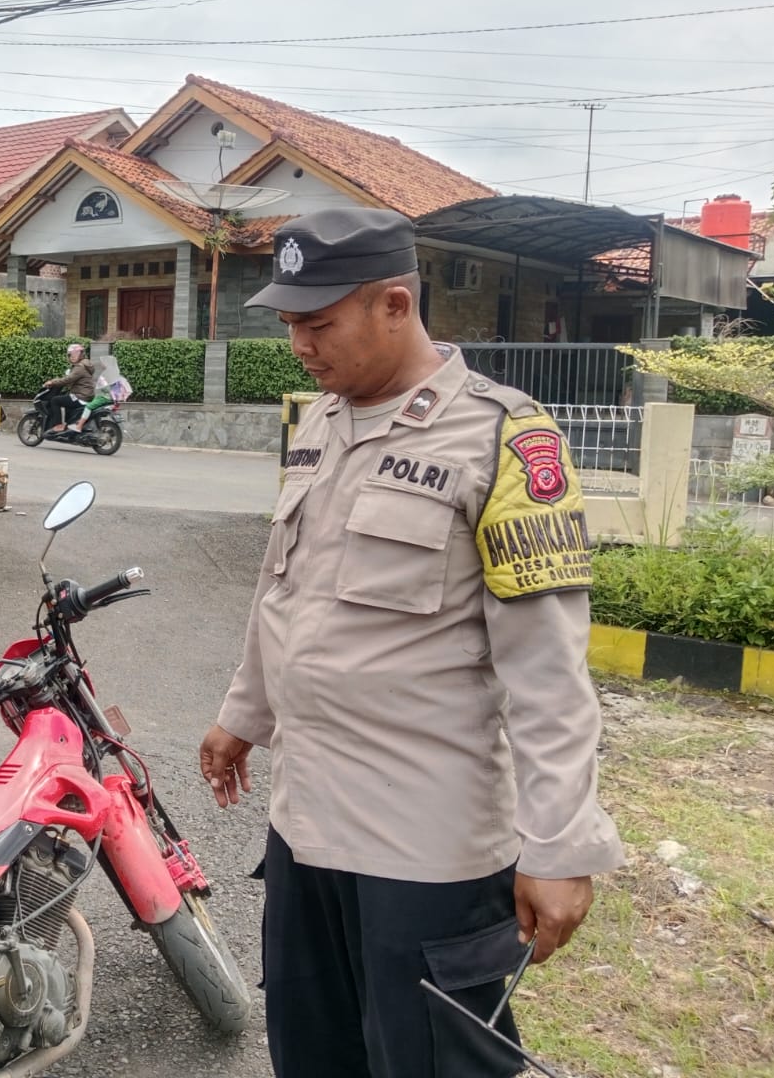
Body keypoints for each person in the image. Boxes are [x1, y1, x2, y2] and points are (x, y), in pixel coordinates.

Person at [198, 208, 624, 1077]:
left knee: (430, 1063)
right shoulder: (320, 423)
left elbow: (547, 668)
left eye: (318, 324)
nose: (299, 345)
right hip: (305, 824)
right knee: (315, 1055)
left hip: (423, 846)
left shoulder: (504, 438)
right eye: (288, 324)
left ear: (395, 304)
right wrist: (243, 711)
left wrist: (560, 847)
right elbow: (283, 591)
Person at [44, 342, 95, 432]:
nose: (72, 356)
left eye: (76, 354)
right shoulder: (84, 365)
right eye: (71, 354)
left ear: (81, 354)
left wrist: (52, 382)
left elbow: (68, 379)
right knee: (66, 399)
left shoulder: (80, 367)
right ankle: (69, 426)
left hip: (81, 396)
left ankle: (58, 425)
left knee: (55, 400)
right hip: (85, 395)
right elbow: (71, 379)